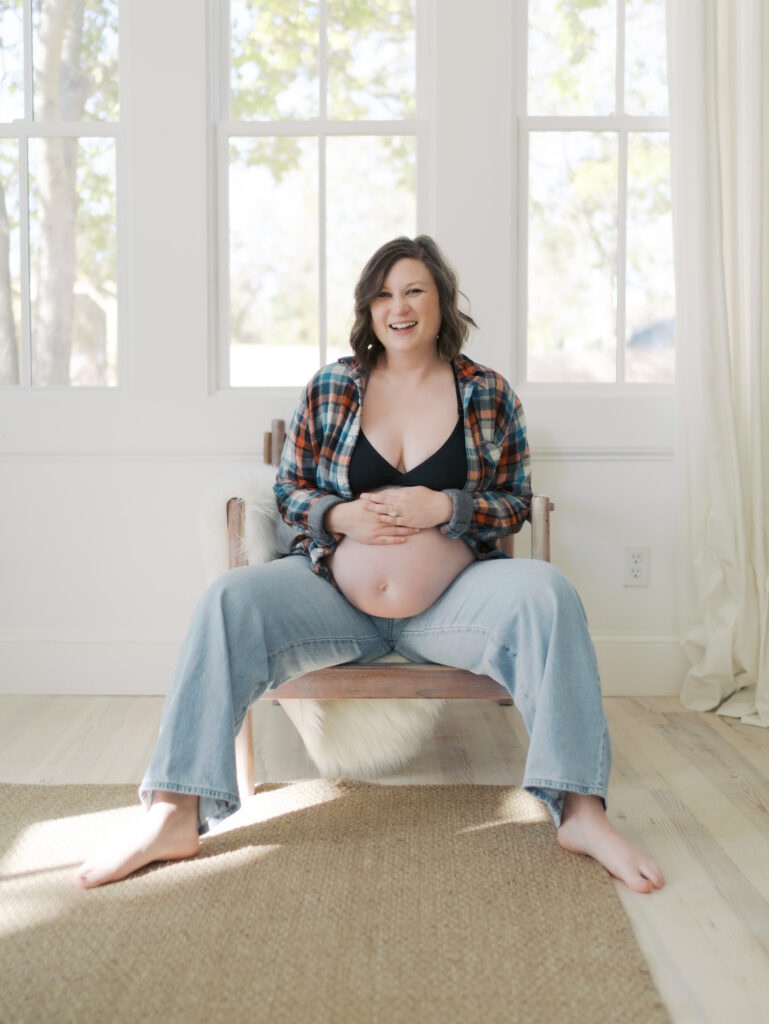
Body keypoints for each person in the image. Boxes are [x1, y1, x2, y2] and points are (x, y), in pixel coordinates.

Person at [76, 235, 665, 894]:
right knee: (227, 601)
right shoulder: (332, 386)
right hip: (333, 600)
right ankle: (172, 813)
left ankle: (581, 812)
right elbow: (289, 489)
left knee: (548, 592)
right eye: (383, 294)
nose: (399, 306)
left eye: (413, 289)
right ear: (367, 308)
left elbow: (513, 502)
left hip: (453, 604)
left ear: (440, 299)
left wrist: (444, 506)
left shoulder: (488, 393)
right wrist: (337, 516)